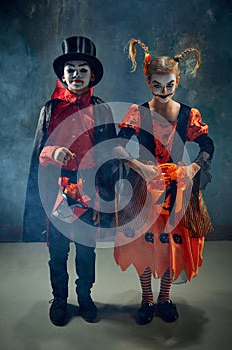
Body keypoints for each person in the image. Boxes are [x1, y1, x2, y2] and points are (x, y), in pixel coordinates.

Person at [113, 38, 214, 325]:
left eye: (169, 85)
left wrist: (193, 168)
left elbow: (207, 145)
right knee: (143, 246)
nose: (164, 91)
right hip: (143, 190)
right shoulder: (138, 113)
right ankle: (146, 299)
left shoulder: (187, 115)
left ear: (177, 81)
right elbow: (117, 146)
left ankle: (165, 298)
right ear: (148, 82)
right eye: (157, 85)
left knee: (173, 246)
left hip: (178, 190)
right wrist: (138, 167)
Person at [23, 36, 117, 325]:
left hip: (90, 192)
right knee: (59, 251)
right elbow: (39, 153)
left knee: (87, 251)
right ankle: (60, 298)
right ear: (63, 75)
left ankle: (85, 296)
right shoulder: (50, 109)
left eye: (83, 70)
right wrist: (54, 151)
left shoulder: (101, 109)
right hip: (56, 193)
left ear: (92, 76)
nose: (76, 75)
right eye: (71, 70)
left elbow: (111, 151)